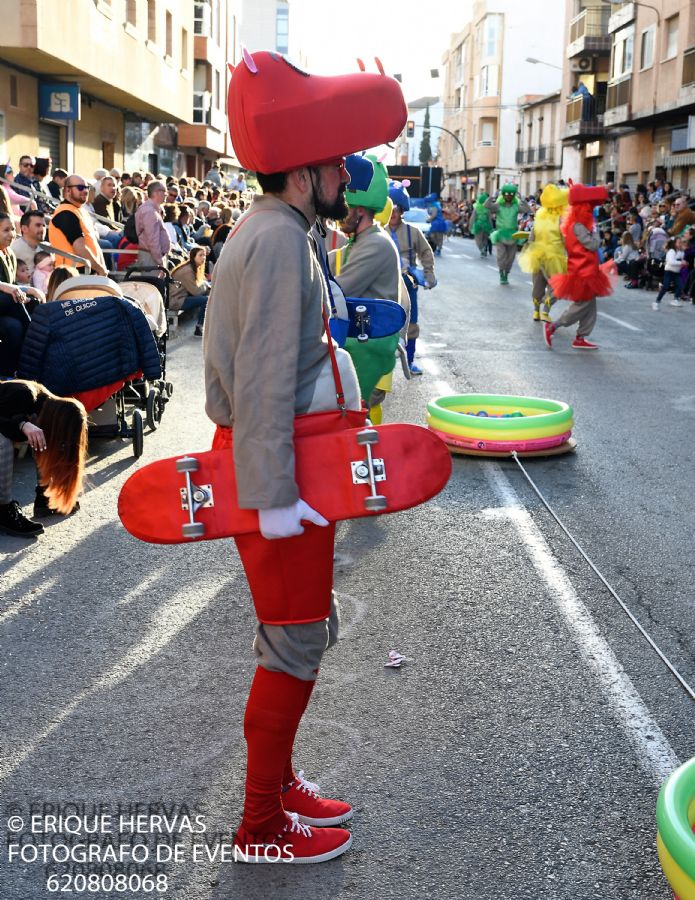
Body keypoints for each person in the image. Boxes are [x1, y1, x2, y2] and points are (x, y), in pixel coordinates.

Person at [204, 48, 405, 864]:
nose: (346, 180)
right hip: (279, 473)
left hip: (293, 466)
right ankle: (259, 827)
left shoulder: (279, 229)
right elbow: (257, 382)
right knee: (290, 646)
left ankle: (278, 788)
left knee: (297, 636)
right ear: (303, 171)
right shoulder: (280, 240)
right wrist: (275, 495)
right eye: (335, 165)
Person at [329, 155, 406, 422]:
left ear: (360, 210)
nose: (340, 212)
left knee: (356, 415)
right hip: (361, 342)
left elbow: (337, 289)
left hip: (369, 346)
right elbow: (332, 261)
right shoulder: (360, 241)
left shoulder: (375, 244)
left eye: (345, 206)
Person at [0, 379, 87, 536]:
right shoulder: (25, 394)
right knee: (3, 442)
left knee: (40, 436)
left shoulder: (43, 404)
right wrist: (21, 425)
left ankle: (45, 495)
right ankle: (3, 510)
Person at [545, 183, 613, 351]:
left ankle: (581, 337)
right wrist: (596, 231)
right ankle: (553, 326)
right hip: (582, 271)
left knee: (590, 305)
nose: (591, 211)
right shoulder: (578, 226)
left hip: (587, 269)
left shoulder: (577, 224)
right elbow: (593, 245)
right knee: (582, 305)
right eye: (589, 208)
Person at [387, 179, 436, 374]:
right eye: (389, 208)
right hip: (384, 282)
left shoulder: (413, 232)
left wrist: (428, 274)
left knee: (412, 322)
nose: (393, 213)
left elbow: (426, 252)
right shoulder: (377, 230)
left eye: (397, 209)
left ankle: (410, 359)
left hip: (408, 282)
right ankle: (383, 364)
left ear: (402, 210)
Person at [0, 212, 45, 376]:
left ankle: (10, 372)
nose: (11, 234)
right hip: (5, 301)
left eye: (13, 229)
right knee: (13, 299)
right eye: (6, 230)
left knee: (15, 326)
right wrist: (10, 288)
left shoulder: (10, 254)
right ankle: (38, 340)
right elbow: (8, 289)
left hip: (5, 308)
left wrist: (28, 290)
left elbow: (12, 287)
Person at [518, 184, 568, 322]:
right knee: (556, 285)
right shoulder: (561, 216)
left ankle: (536, 312)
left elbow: (533, 233)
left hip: (537, 254)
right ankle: (545, 311)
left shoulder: (539, 213)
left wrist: (529, 246)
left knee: (538, 284)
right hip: (554, 256)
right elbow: (565, 237)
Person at [47, 175, 108, 276]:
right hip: (72, 273)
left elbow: (94, 244)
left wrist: (101, 267)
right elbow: (80, 247)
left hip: (87, 271)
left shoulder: (81, 211)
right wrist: (100, 268)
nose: (85, 191)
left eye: (86, 187)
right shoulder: (65, 213)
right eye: (80, 187)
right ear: (67, 190)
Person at [485, 184, 530, 284]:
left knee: (511, 257)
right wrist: (492, 196)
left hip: (513, 235)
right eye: (506, 194)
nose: (508, 196)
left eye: (511, 194)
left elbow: (527, 210)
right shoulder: (498, 206)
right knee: (501, 255)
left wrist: (523, 199)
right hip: (500, 234)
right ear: (503, 194)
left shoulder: (516, 207)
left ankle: (507, 272)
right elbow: (487, 206)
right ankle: (502, 273)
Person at [168, 246, 209, 335]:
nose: (203, 258)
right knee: (206, 299)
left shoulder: (192, 267)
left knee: (207, 294)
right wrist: (206, 286)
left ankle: (206, 324)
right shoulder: (187, 270)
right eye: (200, 255)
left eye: (204, 255)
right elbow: (196, 291)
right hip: (176, 300)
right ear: (193, 257)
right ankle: (199, 327)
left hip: (182, 296)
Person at [134, 181, 170, 271]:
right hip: (151, 258)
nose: (166, 194)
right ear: (156, 193)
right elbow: (152, 239)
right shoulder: (149, 211)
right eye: (164, 191)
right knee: (152, 284)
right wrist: (160, 261)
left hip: (152, 257)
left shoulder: (151, 209)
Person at [11, 210, 47, 277]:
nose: (42, 229)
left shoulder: (42, 251)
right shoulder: (14, 250)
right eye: (38, 225)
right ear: (24, 228)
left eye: (44, 225)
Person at [652, 237, 685, 310]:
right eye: (678, 242)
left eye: (681, 242)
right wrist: (681, 263)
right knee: (665, 287)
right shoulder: (671, 251)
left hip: (676, 272)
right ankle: (657, 302)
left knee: (680, 286)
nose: (680, 244)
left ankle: (675, 299)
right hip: (669, 272)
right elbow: (671, 262)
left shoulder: (681, 252)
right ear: (674, 243)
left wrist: (683, 262)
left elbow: (682, 260)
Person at [470, 191, 493, 257]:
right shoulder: (487, 209)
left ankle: (482, 250)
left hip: (478, 225)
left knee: (478, 239)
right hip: (486, 225)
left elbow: (473, 218)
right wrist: (491, 227)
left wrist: (470, 225)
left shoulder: (476, 208)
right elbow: (490, 219)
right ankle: (484, 249)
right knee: (485, 239)